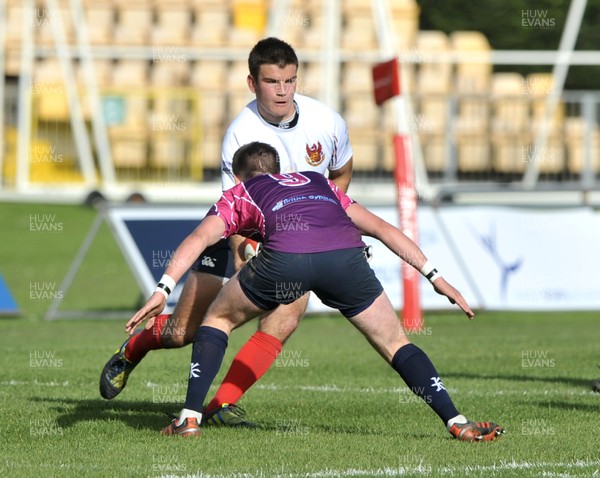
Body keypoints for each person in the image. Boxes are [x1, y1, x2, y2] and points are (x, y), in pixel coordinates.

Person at [126, 142, 505, 442]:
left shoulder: (240, 193)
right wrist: (434, 275)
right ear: (278, 169)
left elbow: (199, 238)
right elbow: (381, 228)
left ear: (238, 176)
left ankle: (189, 418)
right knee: (395, 342)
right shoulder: (318, 181)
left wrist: (163, 288)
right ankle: (457, 421)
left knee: (219, 318)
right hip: (346, 260)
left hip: (286, 263)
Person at [99, 36, 354, 428]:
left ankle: (218, 406)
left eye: (290, 81)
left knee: (287, 315)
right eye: (272, 82)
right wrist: (247, 250)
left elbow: (342, 170)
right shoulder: (241, 132)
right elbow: (236, 209)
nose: (283, 91)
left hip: (293, 239)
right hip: (235, 229)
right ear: (252, 83)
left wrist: (324, 224)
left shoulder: (328, 121)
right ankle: (135, 347)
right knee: (185, 330)